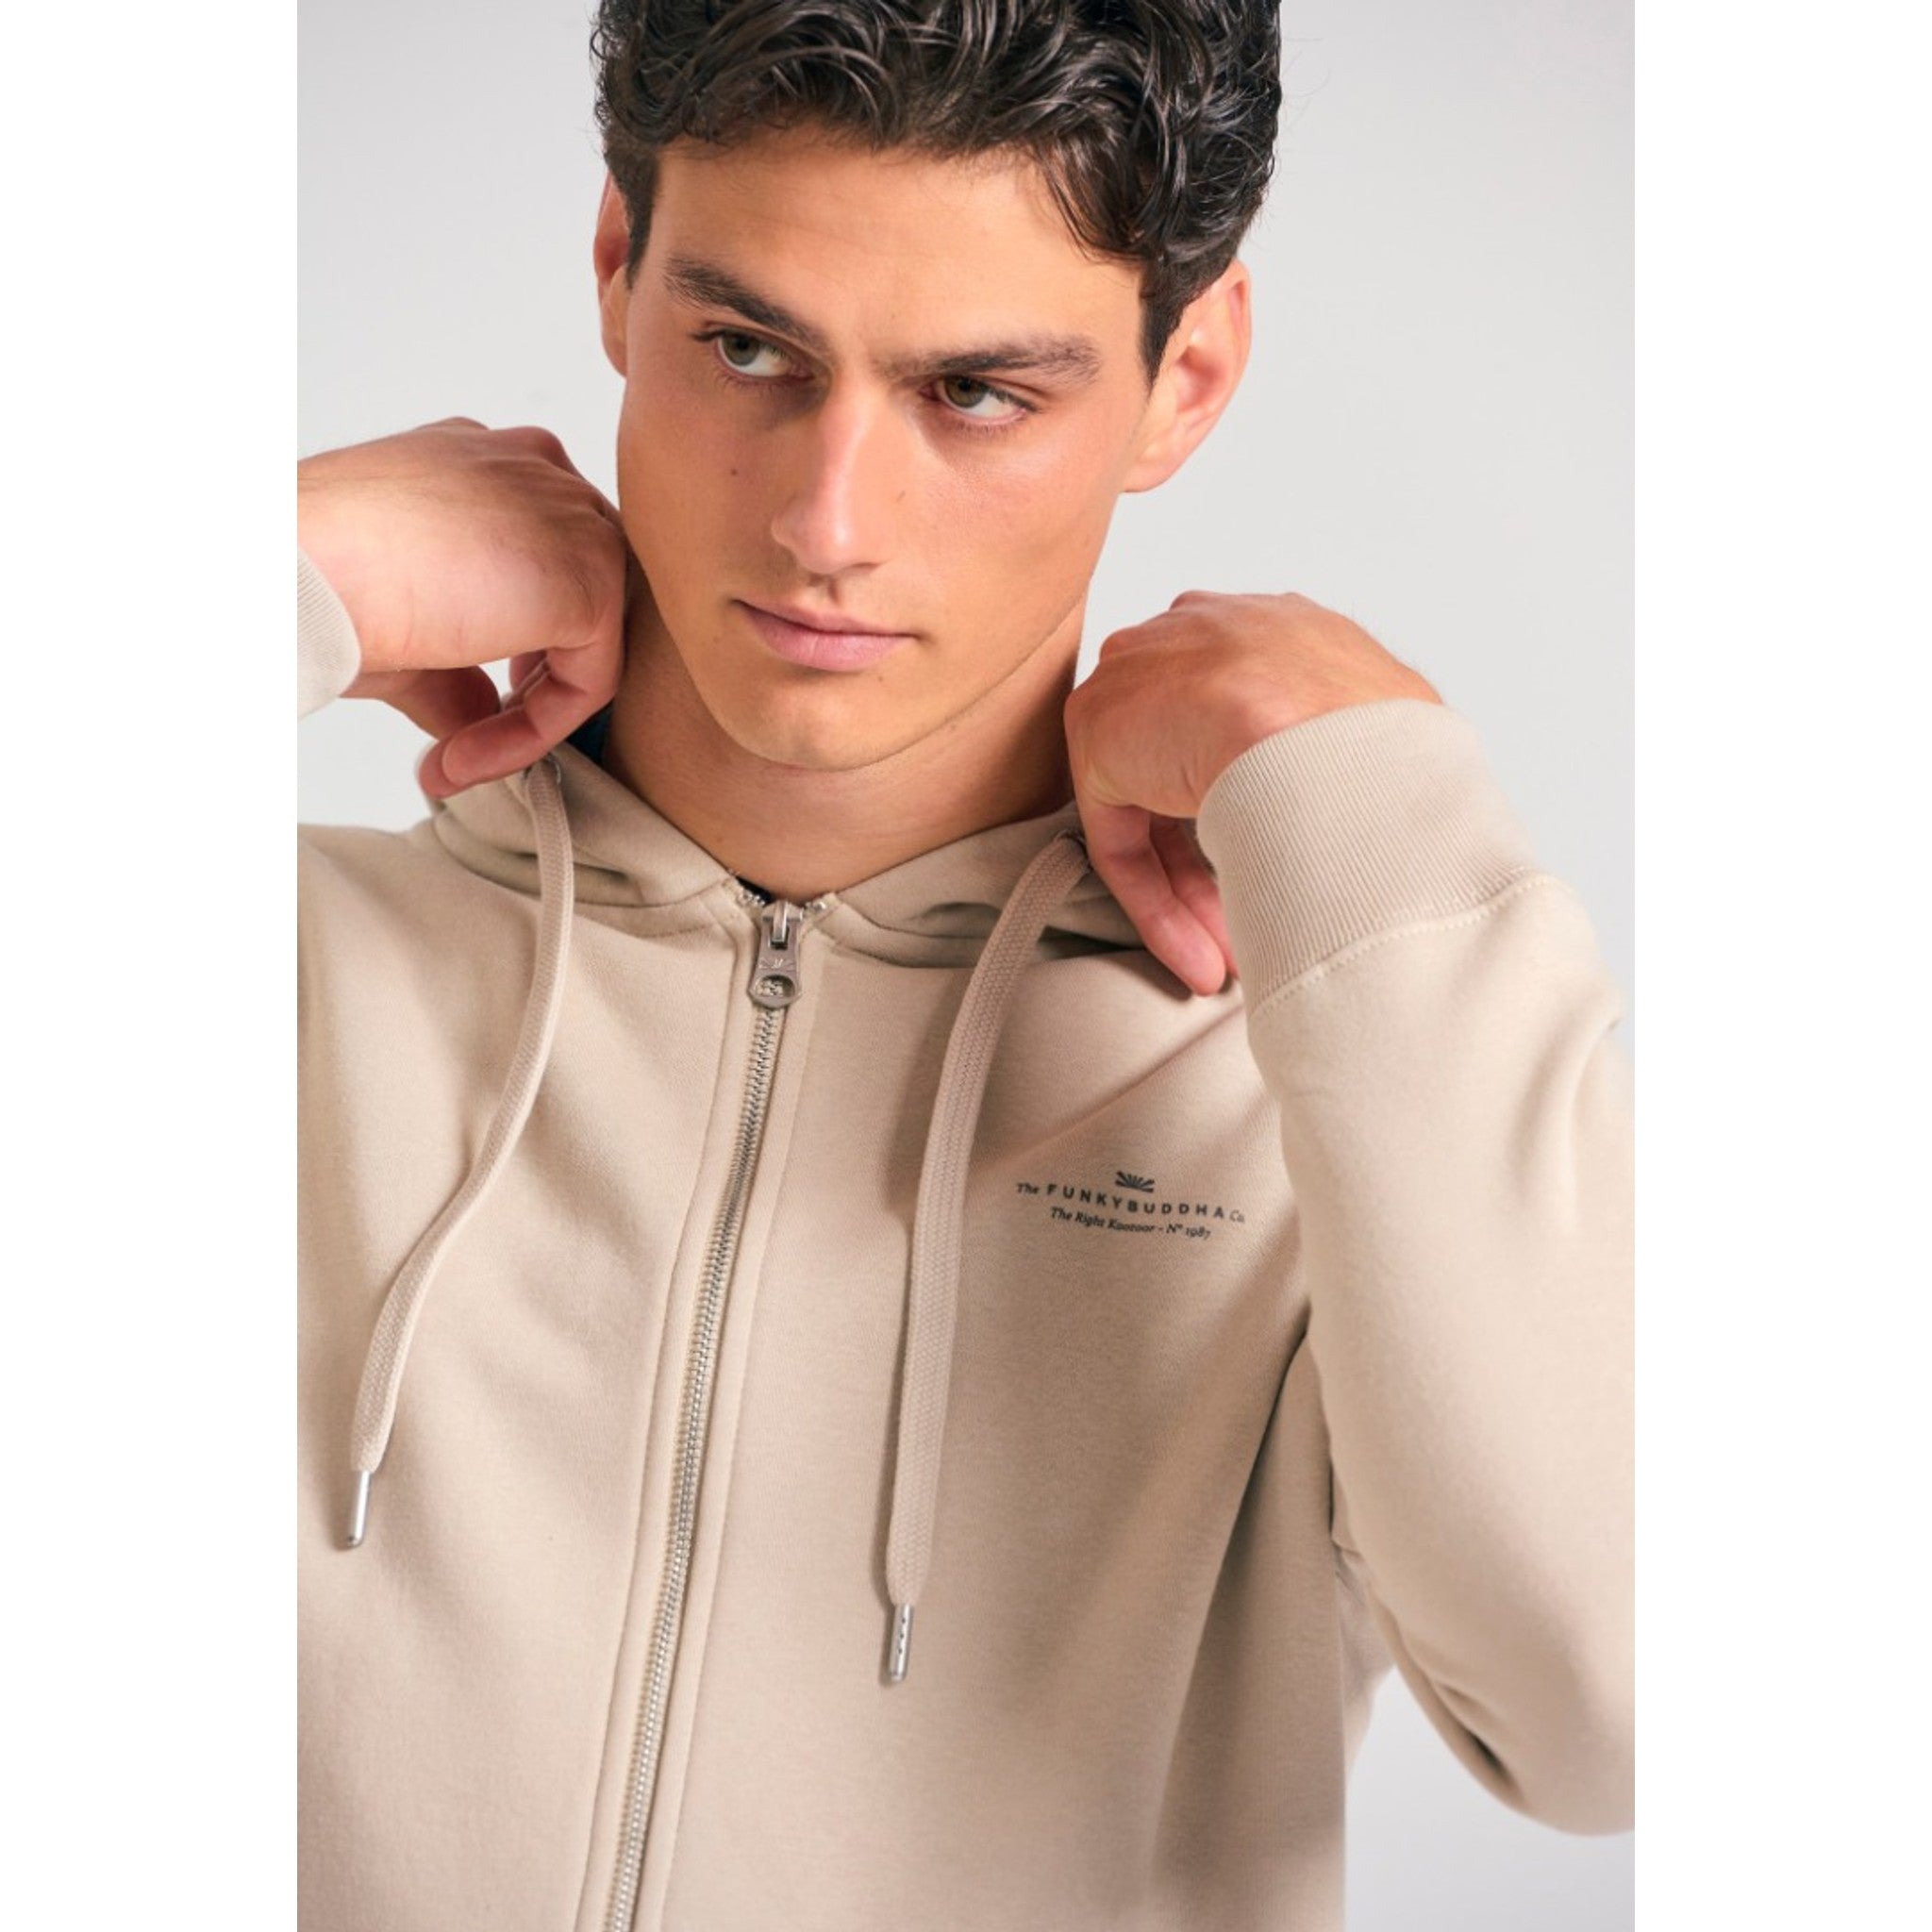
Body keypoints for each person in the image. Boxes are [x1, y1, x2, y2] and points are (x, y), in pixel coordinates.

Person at [297, 3, 1634, 1926]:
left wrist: (1374, 813)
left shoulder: (1331, 1096)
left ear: (1185, 377)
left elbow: (1607, 1720)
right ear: (616, 267)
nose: (826, 523)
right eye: (747, 351)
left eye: (978, 393)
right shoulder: (273, 984)